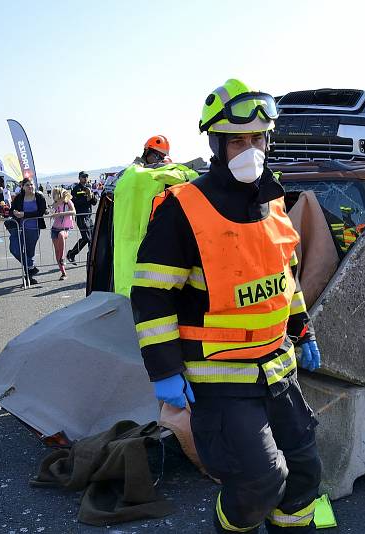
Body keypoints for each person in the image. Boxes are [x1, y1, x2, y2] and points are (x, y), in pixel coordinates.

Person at [130, 79, 322, 533]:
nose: (250, 148)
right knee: (259, 480)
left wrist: (304, 329)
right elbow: (152, 293)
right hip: (218, 376)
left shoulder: (272, 200)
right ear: (217, 143)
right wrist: (163, 369)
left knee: (305, 473)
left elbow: (283, 277)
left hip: (277, 366)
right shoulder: (183, 208)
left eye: (258, 138)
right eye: (238, 139)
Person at [9, 178, 47, 285]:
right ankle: (31, 266)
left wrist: (24, 214)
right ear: (23, 187)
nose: (30, 186)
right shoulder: (19, 197)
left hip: (33, 229)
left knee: (29, 253)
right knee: (14, 249)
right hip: (19, 228)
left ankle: (29, 278)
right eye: (27, 185)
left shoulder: (39, 197)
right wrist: (15, 212)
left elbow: (41, 212)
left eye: (31, 184)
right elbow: (11, 211)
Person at [65, 171, 97, 265]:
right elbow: (74, 202)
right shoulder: (76, 188)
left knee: (92, 238)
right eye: (83, 176)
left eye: (86, 176)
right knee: (86, 238)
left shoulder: (89, 187)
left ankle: (91, 257)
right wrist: (85, 199)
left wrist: (91, 197)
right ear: (79, 178)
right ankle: (71, 253)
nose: (85, 178)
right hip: (80, 216)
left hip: (88, 216)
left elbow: (94, 202)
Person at [48, 186, 76, 280]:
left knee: (61, 235)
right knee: (57, 252)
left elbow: (73, 212)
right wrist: (54, 207)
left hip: (65, 228)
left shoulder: (67, 202)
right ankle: (63, 272)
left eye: (54, 194)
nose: (53, 196)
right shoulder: (55, 204)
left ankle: (63, 257)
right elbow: (51, 212)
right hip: (55, 228)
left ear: (59, 194)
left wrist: (60, 214)